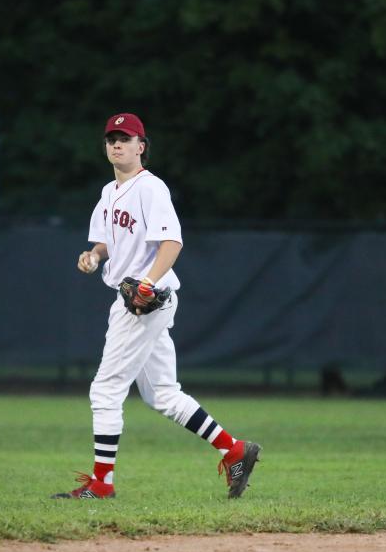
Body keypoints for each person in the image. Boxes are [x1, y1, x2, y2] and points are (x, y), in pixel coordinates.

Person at [52, 112, 262, 500]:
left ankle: (101, 486)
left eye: (125, 138)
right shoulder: (108, 192)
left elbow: (172, 243)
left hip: (144, 302)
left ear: (141, 146)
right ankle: (235, 450)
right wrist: (94, 255)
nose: (117, 144)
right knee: (162, 393)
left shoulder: (151, 188)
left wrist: (147, 282)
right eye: (111, 138)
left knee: (105, 390)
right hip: (133, 296)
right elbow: (106, 242)